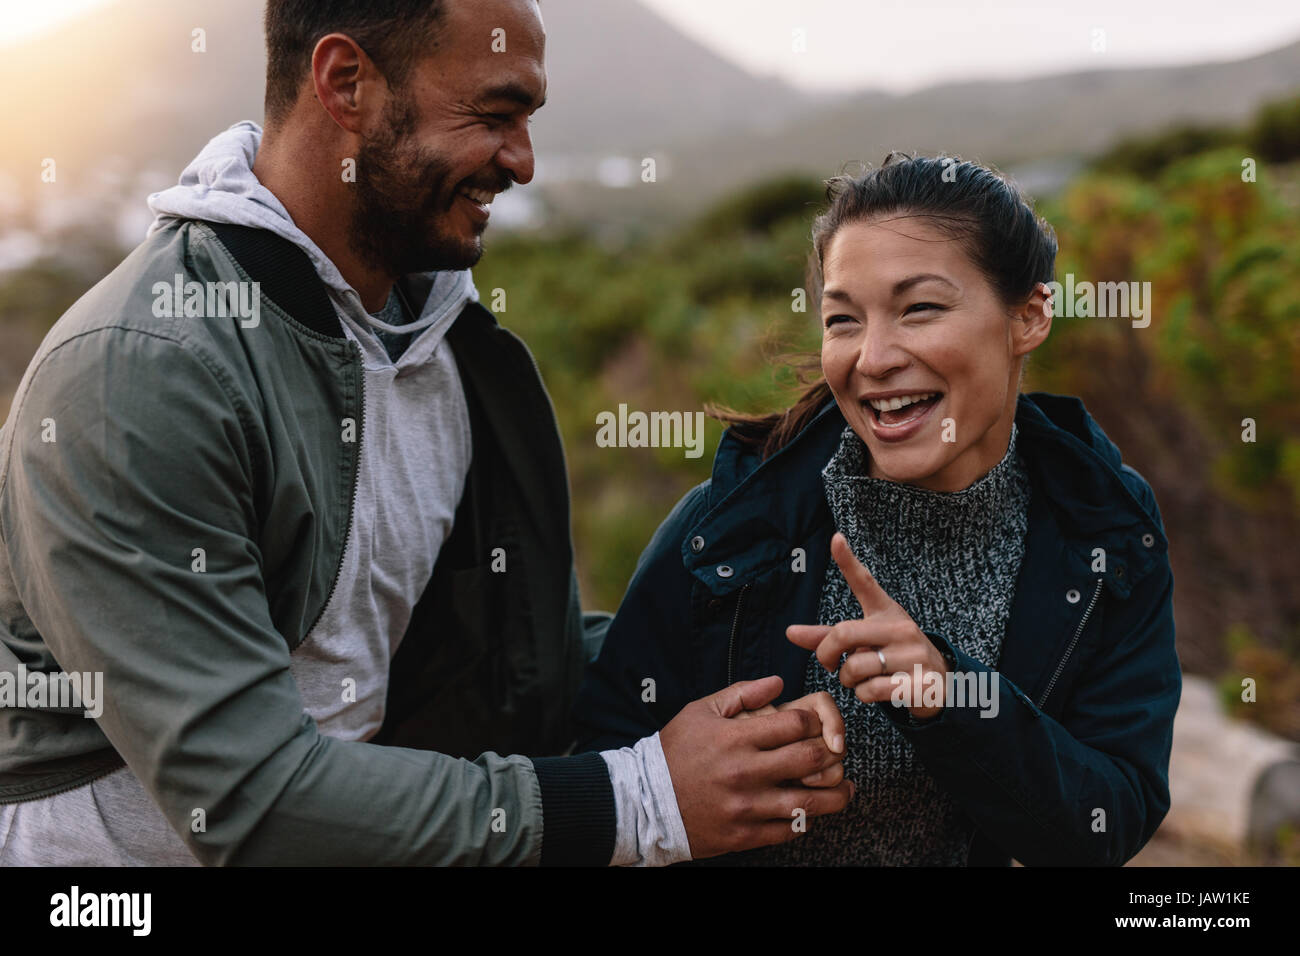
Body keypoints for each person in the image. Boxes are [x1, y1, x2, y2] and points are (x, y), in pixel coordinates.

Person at [0, 0, 852, 866]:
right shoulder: (143, 373)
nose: (521, 161)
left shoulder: (448, 348)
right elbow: (247, 804)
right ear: (346, 84)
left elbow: (525, 671)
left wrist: (798, 679)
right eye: (493, 115)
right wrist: (641, 799)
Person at [574, 153, 1182, 866]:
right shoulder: (731, 526)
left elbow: (1110, 820)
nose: (873, 357)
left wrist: (954, 700)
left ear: (1028, 316)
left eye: (919, 308)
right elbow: (607, 759)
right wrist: (699, 774)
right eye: (843, 320)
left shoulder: (1102, 527)